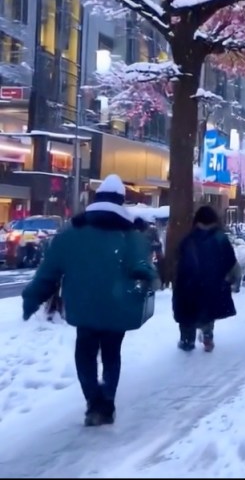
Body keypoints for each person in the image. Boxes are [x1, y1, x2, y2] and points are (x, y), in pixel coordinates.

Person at [21, 174, 157, 427]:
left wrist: (32, 298)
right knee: (112, 354)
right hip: (118, 307)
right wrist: (147, 280)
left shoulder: (71, 233)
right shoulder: (130, 235)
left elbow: (48, 273)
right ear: (121, 201)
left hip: (82, 307)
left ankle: (93, 401)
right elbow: (143, 268)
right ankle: (106, 401)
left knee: (84, 354)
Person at [173, 206, 240, 353]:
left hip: (189, 286)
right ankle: (208, 336)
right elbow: (231, 261)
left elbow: (179, 264)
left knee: (187, 314)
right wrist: (233, 279)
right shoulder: (220, 238)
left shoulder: (188, 239)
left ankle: (187, 341)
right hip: (213, 285)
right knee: (208, 311)